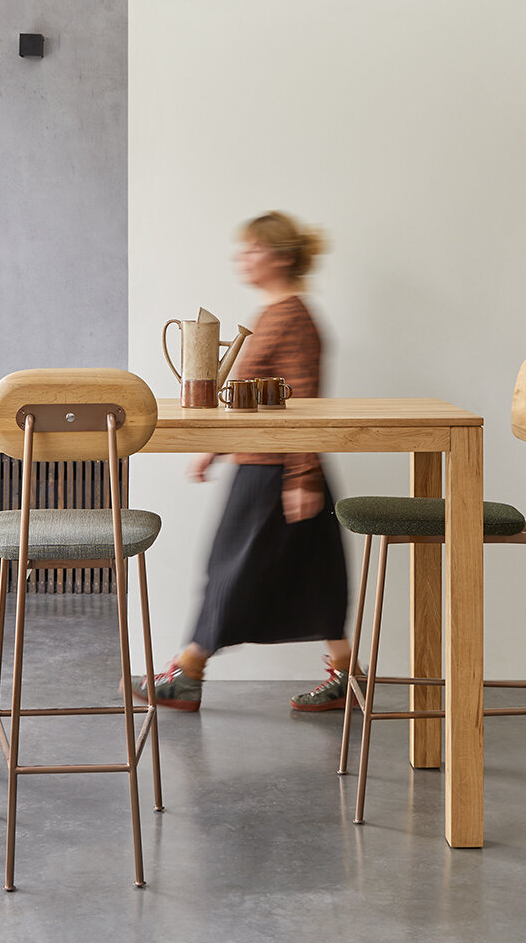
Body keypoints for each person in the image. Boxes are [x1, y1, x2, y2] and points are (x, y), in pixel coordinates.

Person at [135, 211, 352, 713]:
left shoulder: (293, 319)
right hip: (266, 466)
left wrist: (302, 475)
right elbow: (253, 399)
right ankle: (348, 676)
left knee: (232, 571)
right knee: (316, 577)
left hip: (276, 473)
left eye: (252, 249)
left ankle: (188, 671)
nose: (242, 258)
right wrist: (215, 445)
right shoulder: (273, 314)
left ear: (279, 256)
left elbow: (302, 404)